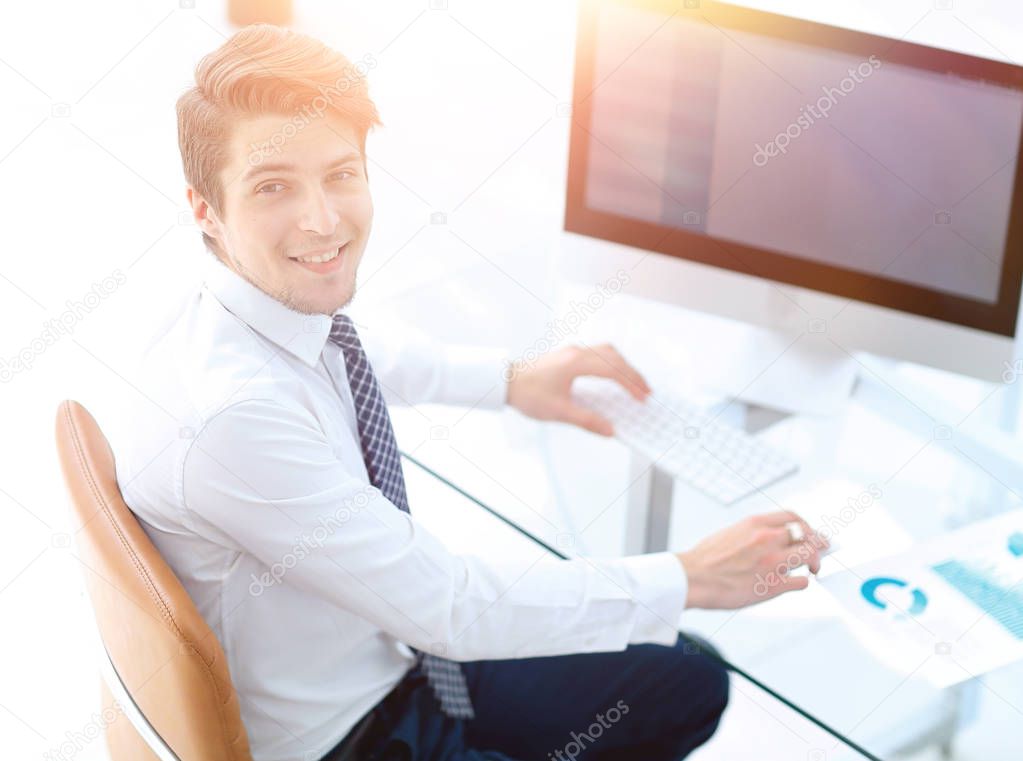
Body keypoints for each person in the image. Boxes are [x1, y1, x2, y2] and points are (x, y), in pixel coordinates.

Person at [112, 24, 827, 761]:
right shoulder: (235, 419)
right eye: (273, 187)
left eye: (340, 173)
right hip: (357, 735)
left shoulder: (247, 304)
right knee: (665, 637)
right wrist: (688, 574)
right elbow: (447, 606)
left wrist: (514, 382)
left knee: (690, 676)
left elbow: (361, 353)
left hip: (393, 656)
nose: (322, 219)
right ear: (205, 207)